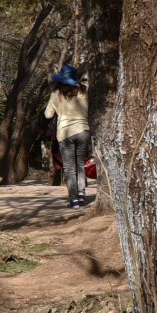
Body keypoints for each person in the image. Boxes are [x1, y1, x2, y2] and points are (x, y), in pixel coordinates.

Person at [43, 64, 91, 209]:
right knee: (80, 163)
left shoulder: (56, 94)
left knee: (69, 167)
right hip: (83, 130)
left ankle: (73, 199)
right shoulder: (83, 91)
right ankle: (82, 195)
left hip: (65, 133)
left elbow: (48, 115)